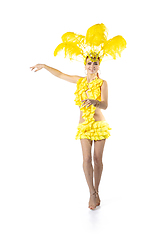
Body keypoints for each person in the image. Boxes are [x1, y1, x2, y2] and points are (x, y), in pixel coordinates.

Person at [30, 23, 126, 210]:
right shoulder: (79, 81)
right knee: (85, 160)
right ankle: (91, 192)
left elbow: (105, 104)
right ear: (85, 65)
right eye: (89, 63)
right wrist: (44, 65)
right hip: (83, 126)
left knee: (97, 160)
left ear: (99, 65)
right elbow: (60, 74)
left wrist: (94, 101)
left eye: (95, 63)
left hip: (99, 125)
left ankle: (97, 190)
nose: (92, 66)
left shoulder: (103, 83)